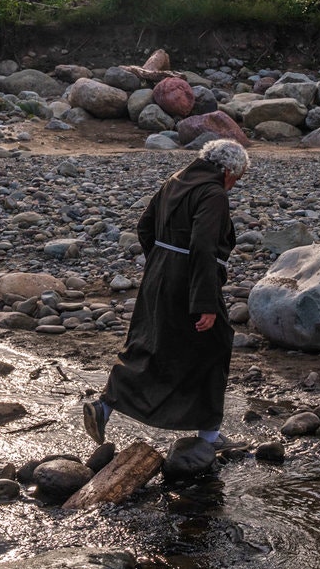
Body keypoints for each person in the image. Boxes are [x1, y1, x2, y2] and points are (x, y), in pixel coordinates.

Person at [82, 137, 248, 448]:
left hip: (159, 273)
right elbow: (202, 247)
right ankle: (209, 436)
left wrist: (162, 263)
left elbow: (145, 226)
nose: (234, 185)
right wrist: (206, 303)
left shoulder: (175, 181)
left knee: (152, 344)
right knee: (214, 345)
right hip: (191, 279)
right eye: (237, 178)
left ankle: (105, 404)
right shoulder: (213, 193)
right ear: (227, 170)